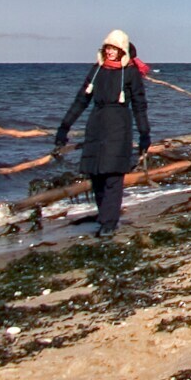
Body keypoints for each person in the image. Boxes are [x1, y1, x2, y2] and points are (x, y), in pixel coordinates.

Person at [54, 29, 151, 237]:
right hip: (96, 125)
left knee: (113, 176)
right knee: (96, 174)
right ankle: (104, 217)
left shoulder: (131, 73)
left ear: (122, 51)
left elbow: (140, 106)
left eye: (115, 49)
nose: (110, 53)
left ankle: (109, 223)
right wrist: (64, 127)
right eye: (108, 48)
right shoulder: (96, 70)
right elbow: (81, 100)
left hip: (119, 126)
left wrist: (145, 134)